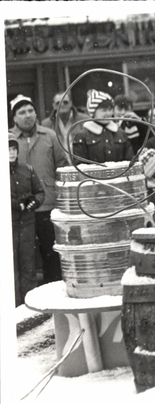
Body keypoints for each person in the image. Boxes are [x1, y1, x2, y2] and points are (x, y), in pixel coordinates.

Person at [10, 94, 69, 285]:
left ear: (36, 113)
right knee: (25, 260)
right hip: (20, 210)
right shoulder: (8, 140)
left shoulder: (49, 135)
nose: (27, 115)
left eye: (30, 111)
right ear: (14, 117)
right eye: (21, 112)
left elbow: (62, 167)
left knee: (51, 257)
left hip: (48, 206)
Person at [9, 133, 45, 306]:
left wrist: (34, 202)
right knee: (10, 267)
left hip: (27, 224)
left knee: (28, 263)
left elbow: (40, 192)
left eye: (13, 148)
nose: (11, 152)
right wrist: (16, 205)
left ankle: (30, 305)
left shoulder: (27, 169)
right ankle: (13, 305)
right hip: (9, 226)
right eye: (7, 148)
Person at [72, 90, 133, 165]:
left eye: (110, 110)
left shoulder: (120, 133)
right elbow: (80, 165)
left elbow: (129, 160)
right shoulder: (82, 136)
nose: (108, 113)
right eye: (103, 110)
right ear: (93, 112)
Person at [41, 91, 89, 164]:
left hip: (82, 166)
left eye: (65, 102)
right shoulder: (46, 124)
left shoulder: (85, 120)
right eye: (58, 103)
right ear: (54, 105)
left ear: (71, 103)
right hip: (59, 168)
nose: (62, 105)